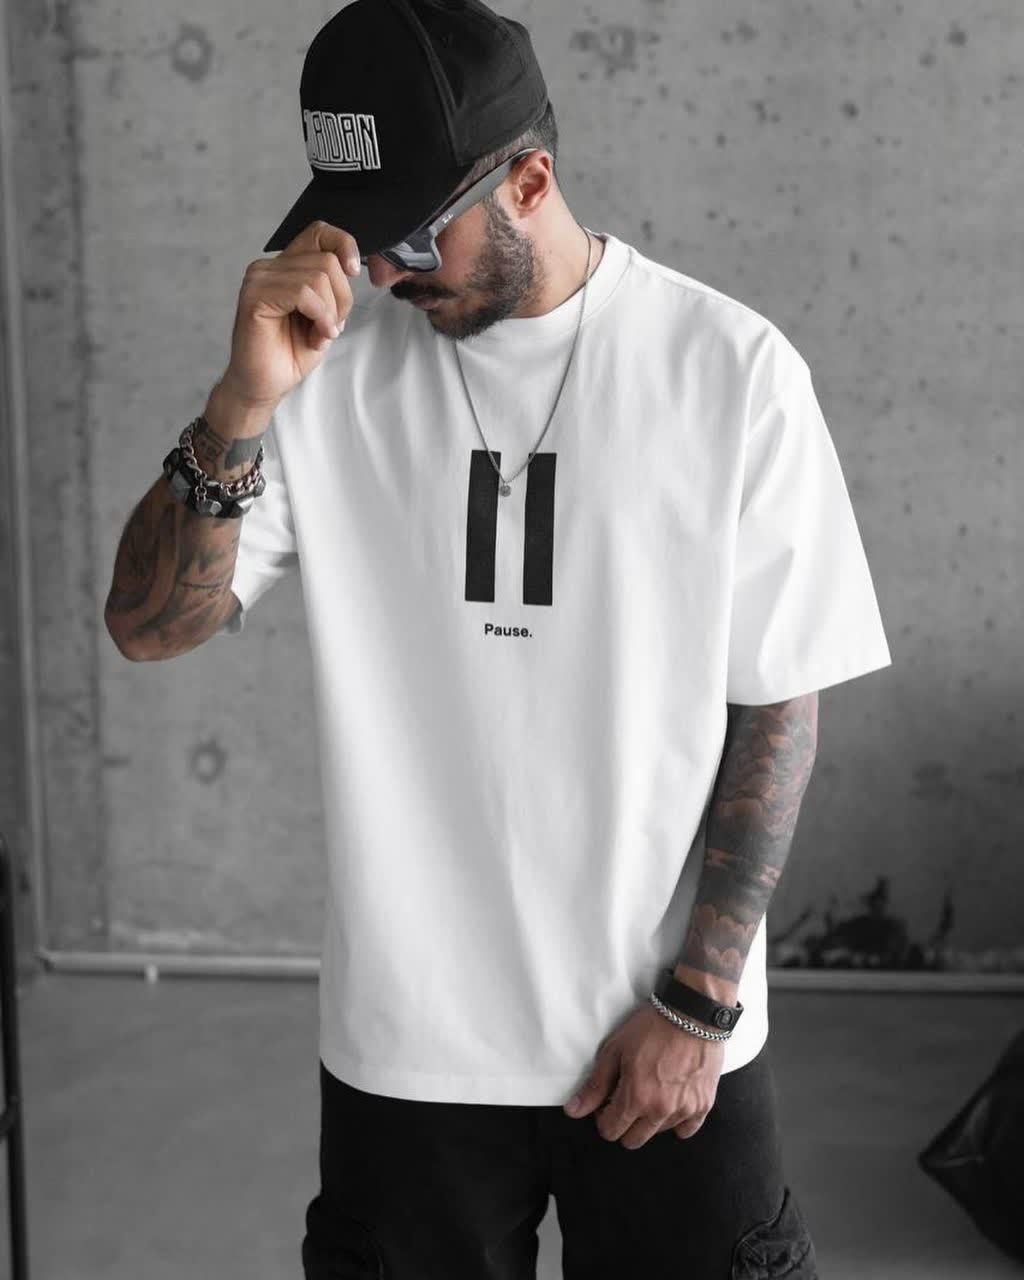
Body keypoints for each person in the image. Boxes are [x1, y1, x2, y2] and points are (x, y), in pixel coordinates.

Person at [104, 1, 892, 1275]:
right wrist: (238, 405)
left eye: (415, 233)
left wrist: (700, 999)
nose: (384, 275)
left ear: (529, 179)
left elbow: (777, 702)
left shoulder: (730, 371)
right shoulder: (320, 376)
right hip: (407, 1050)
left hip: (658, 1034)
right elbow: (148, 628)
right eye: (359, 237)